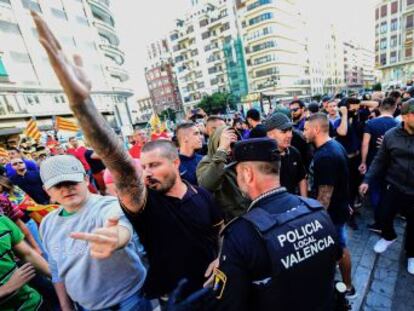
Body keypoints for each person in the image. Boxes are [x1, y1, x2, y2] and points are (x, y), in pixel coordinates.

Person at [32, 12, 224, 302]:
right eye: (143, 166)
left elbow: (220, 231)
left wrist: (221, 258)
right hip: (174, 297)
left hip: (215, 287)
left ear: (175, 163)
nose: (146, 172)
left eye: (154, 165)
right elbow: (120, 165)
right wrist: (83, 106)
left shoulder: (201, 193)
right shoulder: (146, 202)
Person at [213, 138, 341, 310]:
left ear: (247, 173)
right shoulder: (316, 209)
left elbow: (230, 304)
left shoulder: (240, 235)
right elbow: (334, 258)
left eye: (236, 172)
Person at [39, 155, 149, 310]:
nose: (66, 189)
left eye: (72, 182)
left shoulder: (107, 205)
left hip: (128, 303)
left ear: (85, 179)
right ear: (47, 190)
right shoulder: (47, 223)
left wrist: (117, 238)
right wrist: (65, 305)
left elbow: (121, 225)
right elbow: (57, 269)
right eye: (58, 186)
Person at [303, 113, 356, 297]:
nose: (304, 132)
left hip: (331, 216)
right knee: (337, 250)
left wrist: (313, 222)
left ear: (316, 129)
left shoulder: (325, 156)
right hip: (337, 210)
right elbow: (343, 180)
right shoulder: (334, 146)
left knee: (340, 250)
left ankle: (348, 288)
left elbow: (324, 198)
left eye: (306, 128)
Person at [360, 99, 414, 275]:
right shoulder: (391, 135)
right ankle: (389, 236)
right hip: (394, 184)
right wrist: (367, 180)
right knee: (383, 214)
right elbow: (379, 160)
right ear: (405, 116)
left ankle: (412, 255)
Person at [358, 97, 398, 232]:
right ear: (394, 108)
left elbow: (365, 144)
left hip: (373, 161)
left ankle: (379, 222)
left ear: (380, 108)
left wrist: (363, 162)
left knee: (375, 191)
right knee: (388, 192)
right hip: (393, 163)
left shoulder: (371, 123)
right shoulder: (398, 124)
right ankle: (386, 222)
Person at [197, 125, 250, 220]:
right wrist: (222, 151)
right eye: (226, 144)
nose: (229, 150)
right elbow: (206, 186)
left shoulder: (240, 160)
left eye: (232, 145)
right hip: (230, 221)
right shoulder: (207, 162)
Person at [0, 215, 50, 310]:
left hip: (34, 303)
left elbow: (27, 254)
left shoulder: (2, 221)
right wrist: (4, 290)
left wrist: (61, 278)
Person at [264, 113, 307, 196]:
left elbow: (301, 178)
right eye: (283, 131)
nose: (290, 135)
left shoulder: (294, 152)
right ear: (270, 134)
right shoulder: (263, 157)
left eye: (290, 130)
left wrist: (304, 202)